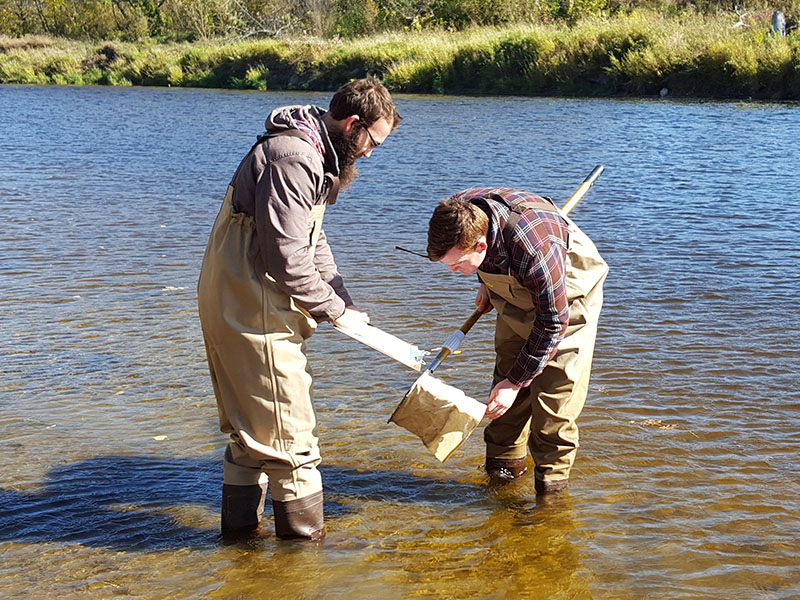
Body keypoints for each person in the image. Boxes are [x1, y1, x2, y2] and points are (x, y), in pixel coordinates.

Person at [198, 78, 401, 540]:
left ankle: (241, 552)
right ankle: (303, 569)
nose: (370, 153)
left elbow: (313, 239)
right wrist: (332, 310)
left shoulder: (313, 148)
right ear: (353, 125)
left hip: (240, 295)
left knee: (252, 441)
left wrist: (342, 300)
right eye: (373, 141)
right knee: (294, 447)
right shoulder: (297, 158)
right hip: (252, 305)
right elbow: (286, 259)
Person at [426, 187, 608, 494]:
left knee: (553, 407)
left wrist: (516, 382)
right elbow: (471, 251)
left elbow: (553, 322)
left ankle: (550, 503)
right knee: (502, 399)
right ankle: (501, 481)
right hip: (515, 283)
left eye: (457, 266)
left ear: (481, 245)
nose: (453, 272)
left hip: (566, 302)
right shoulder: (459, 211)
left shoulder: (534, 250)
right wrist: (485, 280)